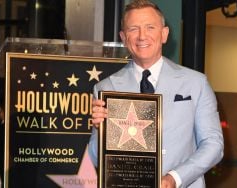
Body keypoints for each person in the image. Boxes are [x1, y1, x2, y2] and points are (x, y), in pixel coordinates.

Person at [88, 0, 224, 187]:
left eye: (150, 27)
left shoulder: (196, 83)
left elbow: (214, 145)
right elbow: (95, 159)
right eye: (133, 29)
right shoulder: (106, 88)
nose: (142, 36)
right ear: (123, 37)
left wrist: (174, 178)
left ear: (164, 34)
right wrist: (99, 129)